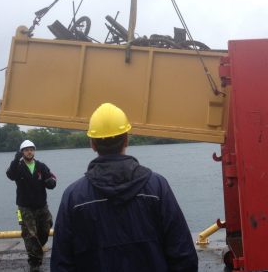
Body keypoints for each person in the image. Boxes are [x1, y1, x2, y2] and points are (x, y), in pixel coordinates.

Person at [51, 103, 198, 272]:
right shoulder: (157, 187)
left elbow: (62, 263)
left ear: (92, 144)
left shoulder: (74, 197)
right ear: (126, 139)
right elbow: (183, 255)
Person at [6, 139, 56, 272]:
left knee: (46, 229)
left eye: (31, 149)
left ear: (34, 151)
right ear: (22, 152)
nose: (29, 152)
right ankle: (34, 263)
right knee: (30, 235)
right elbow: (10, 175)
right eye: (26, 150)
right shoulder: (18, 167)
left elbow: (52, 177)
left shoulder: (41, 166)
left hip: (42, 206)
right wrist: (15, 160)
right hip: (25, 207)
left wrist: (51, 182)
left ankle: (36, 254)